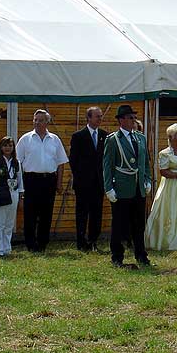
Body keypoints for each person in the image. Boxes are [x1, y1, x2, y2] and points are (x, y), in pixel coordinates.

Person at [103, 105, 152, 267]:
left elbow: (145, 162)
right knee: (119, 224)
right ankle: (117, 256)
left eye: (133, 117)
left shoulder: (140, 137)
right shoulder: (113, 139)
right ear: (121, 120)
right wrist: (108, 187)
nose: (133, 120)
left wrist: (147, 180)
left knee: (139, 224)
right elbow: (107, 165)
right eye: (130, 117)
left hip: (138, 186)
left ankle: (141, 254)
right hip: (122, 187)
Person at [16, 110, 68, 252]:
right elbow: (17, 163)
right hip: (30, 180)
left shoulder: (55, 139)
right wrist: (20, 185)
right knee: (30, 214)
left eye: (40, 120)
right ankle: (31, 244)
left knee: (46, 213)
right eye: (35, 120)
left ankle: (43, 243)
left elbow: (61, 163)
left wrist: (59, 183)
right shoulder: (25, 139)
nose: (37, 123)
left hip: (49, 180)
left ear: (47, 122)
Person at [69, 106, 108, 251]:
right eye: (97, 116)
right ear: (89, 118)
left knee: (96, 214)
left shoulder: (105, 135)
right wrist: (80, 178)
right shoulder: (78, 136)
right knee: (82, 213)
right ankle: (81, 242)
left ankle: (93, 241)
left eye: (101, 116)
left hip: (99, 182)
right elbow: (73, 160)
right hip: (83, 183)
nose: (100, 118)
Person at [0, 137, 24, 257]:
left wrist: (21, 198)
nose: (7, 148)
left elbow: (20, 181)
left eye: (10, 145)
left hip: (13, 193)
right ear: (1, 148)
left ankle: (7, 248)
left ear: (13, 148)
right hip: (1, 194)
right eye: (5, 145)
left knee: (9, 223)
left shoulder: (16, 162)